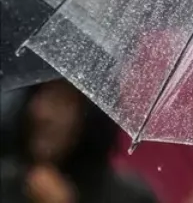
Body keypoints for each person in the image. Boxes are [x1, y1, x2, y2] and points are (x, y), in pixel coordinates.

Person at [0, 79, 157, 203]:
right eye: (39, 95)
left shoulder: (129, 197)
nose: (41, 113)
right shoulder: (6, 182)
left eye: (60, 101)